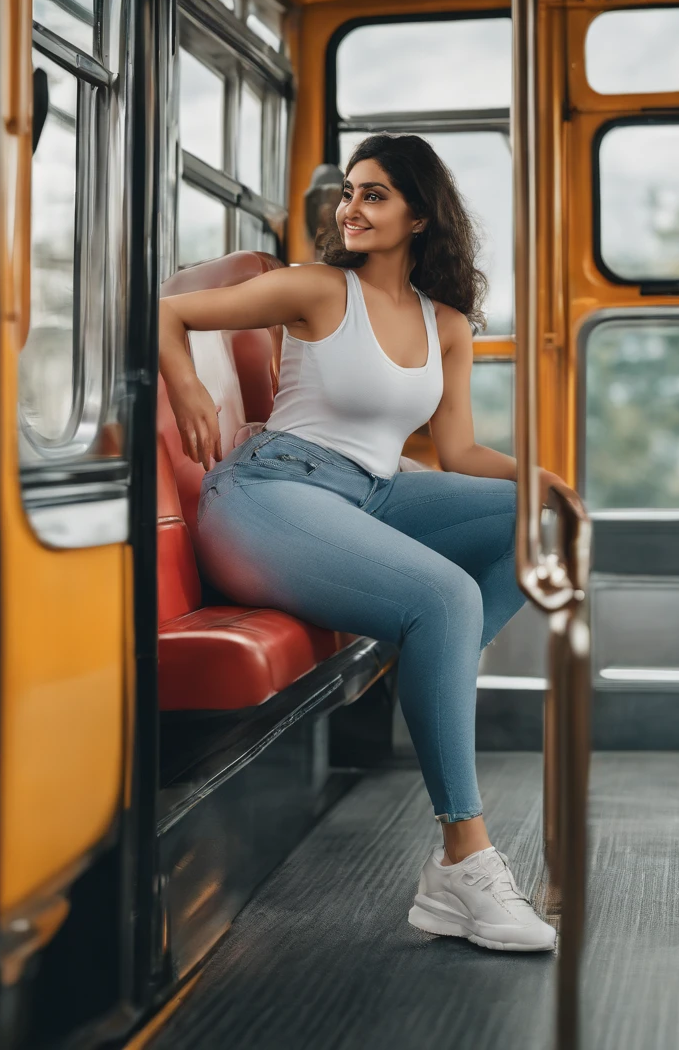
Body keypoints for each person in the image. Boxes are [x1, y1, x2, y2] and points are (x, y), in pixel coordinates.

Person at [159, 132, 562, 953]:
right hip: (269, 493)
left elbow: (460, 454)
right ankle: (463, 860)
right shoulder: (313, 289)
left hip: (372, 493)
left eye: (373, 194)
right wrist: (189, 386)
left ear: (420, 214)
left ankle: (433, 661)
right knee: (445, 597)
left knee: (533, 524)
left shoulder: (446, 323)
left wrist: (544, 478)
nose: (350, 209)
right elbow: (167, 311)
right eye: (348, 193)